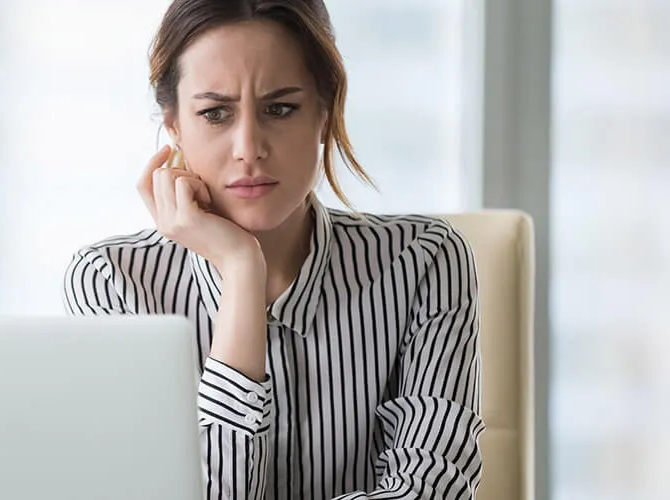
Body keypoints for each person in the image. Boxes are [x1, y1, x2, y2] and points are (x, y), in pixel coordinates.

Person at [62, 1, 484, 498]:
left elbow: (428, 491)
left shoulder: (424, 261)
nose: (249, 147)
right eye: (215, 113)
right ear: (174, 127)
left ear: (325, 115)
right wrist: (242, 274)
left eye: (279, 109)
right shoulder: (113, 282)